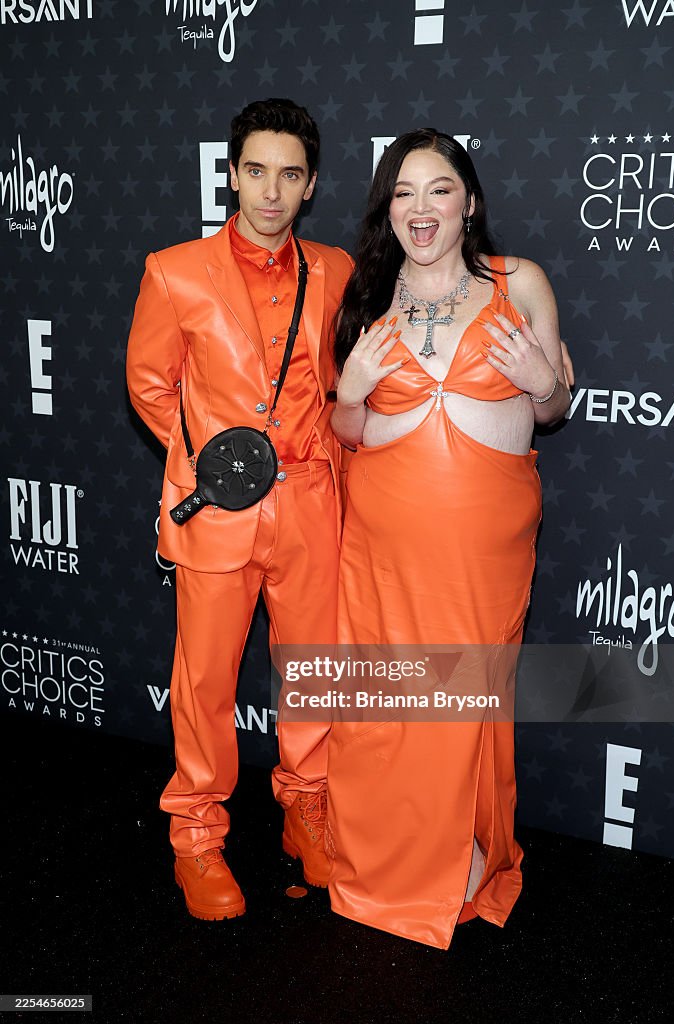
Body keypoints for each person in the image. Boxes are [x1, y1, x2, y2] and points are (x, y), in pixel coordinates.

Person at [326, 129, 571, 949]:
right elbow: (349, 432)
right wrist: (349, 390)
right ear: (385, 208)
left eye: (437, 189)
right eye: (401, 191)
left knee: (465, 688)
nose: (419, 207)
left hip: (484, 535)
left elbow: (552, 407)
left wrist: (543, 382)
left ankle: (464, 850)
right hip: (384, 532)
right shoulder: (368, 293)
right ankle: (395, 864)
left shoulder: (517, 281)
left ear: (468, 202)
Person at [126, 98, 353, 920]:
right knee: (205, 684)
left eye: (289, 174)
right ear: (230, 174)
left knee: (314, 672)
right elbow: (149, 384)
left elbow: (348, 384)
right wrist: (212, 470)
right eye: (255, 170)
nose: (270, 191)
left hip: (313, 509)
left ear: (310, 184)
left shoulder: (335, 271)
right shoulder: (173, 270)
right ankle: (197, 837)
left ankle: (306, 810)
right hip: (218, 515)